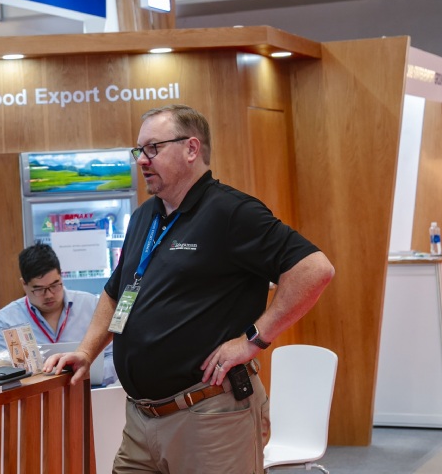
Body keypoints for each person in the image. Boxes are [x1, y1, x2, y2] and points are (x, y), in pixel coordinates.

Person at [46, 105, 335, 474]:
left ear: (191, 149)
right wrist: (86, 352)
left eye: (153, 148)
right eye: (139, 150)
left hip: (209, 416)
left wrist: (254, 339)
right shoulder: (144, 217)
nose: (142, 160)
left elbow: (314, 269)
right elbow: (116, 292)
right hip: (140, 420)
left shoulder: (231, 212)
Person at [0, 244, 112, 366]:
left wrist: (90, 372)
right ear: (24, 284)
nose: (49, 295)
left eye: (54, 285)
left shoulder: (91, 306)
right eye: (39, 289)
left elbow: (112, 354)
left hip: (90, 379)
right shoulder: (7, 320)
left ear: (61, 276)